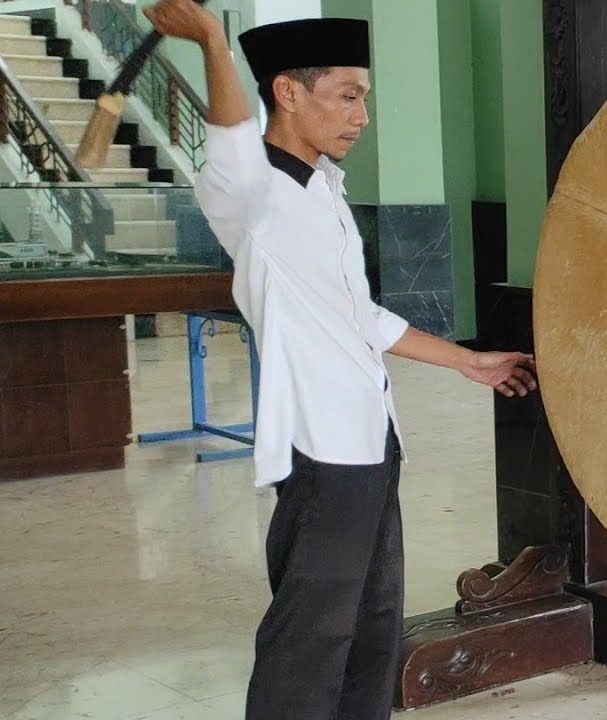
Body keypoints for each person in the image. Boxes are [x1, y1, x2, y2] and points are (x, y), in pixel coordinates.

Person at [141, 2, 537, 719]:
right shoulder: (251, 193)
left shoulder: (324, 187)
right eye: (347, 96)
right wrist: (210, 41)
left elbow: (362, 317)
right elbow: (231, 141)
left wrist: (465, 361)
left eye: (365, 98)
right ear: (288, 92)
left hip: (371, 436)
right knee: (312, 631)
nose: (361, 115)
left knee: (373, 623)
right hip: (320, 446)